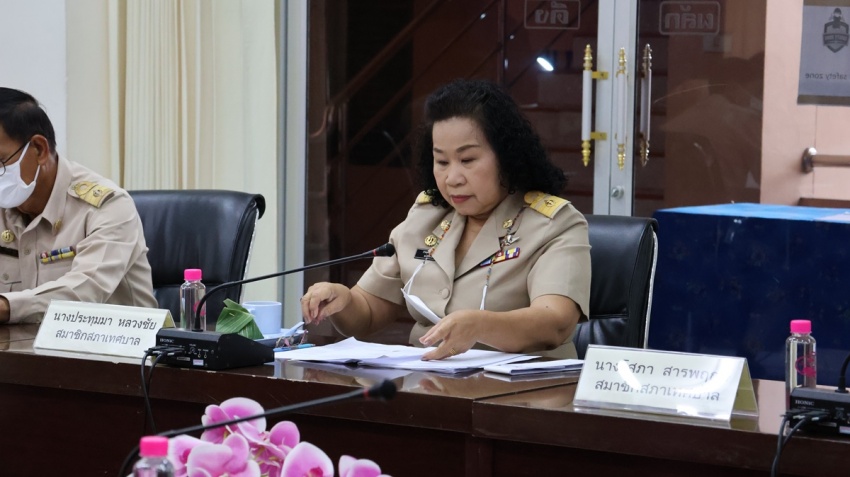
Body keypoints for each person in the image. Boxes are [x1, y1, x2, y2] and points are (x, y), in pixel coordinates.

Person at [301, 79, 590, 360]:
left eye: (467, 160)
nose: (452, 178)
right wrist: (342, 300)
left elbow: (555, 322)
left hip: (519, 389)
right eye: (441, 161)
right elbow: (368, 312)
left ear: (507, 157)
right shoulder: (426, 217)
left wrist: (480, 325)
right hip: (428, 383)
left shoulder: (554, 224)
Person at [0, 87, 157, 323]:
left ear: (39, 149)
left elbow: (86, 291)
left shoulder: (108, 206)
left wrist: (6, 306)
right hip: (21, 345)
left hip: (112, 344)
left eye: (1, 161)